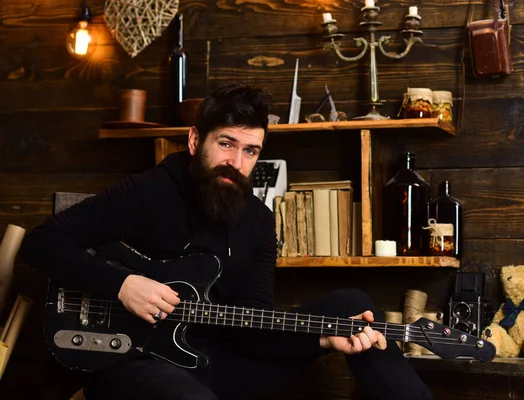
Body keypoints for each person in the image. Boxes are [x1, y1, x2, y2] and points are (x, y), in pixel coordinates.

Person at [21, 82, 432, 400]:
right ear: (195, 140)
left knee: (351, 307)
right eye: (226, 144)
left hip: (213, 362)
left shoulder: (257, 220)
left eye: (251, 151)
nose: (237, 163)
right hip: (132, 361)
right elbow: (43, 241)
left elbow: (254, 323)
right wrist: (123, 286)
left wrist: (323, 338)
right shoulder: (151, 191)